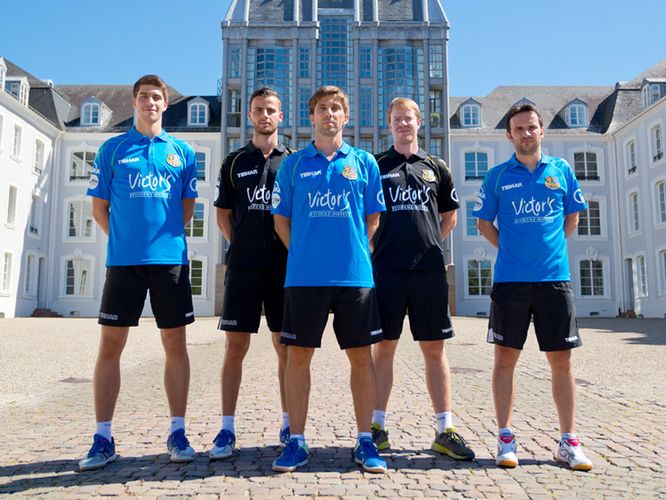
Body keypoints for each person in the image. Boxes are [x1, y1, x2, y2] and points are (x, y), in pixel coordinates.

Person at [79, 75, 198, 472]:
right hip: (124, 263)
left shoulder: (182, 152)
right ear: (134, 102)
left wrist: (158, 242)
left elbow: (185, 211)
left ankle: (178, 432)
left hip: (170, 263)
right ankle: (102, 437)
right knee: (110, 347)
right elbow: (99, 209)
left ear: (166, 105)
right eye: (144, 97)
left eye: (157, 97)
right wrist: (127, 239)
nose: (151, 102)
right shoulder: (112, 150)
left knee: (175, 345)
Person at [270, 86, 387, 473]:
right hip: (304, 277)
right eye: (323, 108)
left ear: (346, 116)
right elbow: (281, 220)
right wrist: (303, 249)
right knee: (298, 356)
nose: (330, 114)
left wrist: (353, 247)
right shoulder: (293, 165)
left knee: (361, 357)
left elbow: (373, 218)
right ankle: (297, 442)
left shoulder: (365, 163)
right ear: (312, 117)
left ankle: (366, 441)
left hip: (354, 276)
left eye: (337, 108)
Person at [473, 103, 593, 471]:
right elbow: (484, 225)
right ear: (509, 136)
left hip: (555, 281)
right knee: (505, 359)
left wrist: (549, 250)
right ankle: (505, 438)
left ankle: (568, 442)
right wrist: (513, 250)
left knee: (561, 360)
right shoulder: (495, 176)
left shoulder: (562, 171)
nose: (526, 133)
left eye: (532, 127)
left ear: (542, 131)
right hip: (510, 282)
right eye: (519, 129)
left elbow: (571, 217)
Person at [370, 97, 474, 461]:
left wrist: (427, 242)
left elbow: (449, 218)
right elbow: (367, 218)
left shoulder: (436, 167)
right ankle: (376, 427)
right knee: (384, 348)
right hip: (386, 270)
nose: (403, 124)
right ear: (389, 124)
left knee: (434, 349)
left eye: (408, 119)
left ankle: (444, 429)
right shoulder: (376, 165)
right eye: (397, 119)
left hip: (429, 271)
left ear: (419, 123)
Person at [209, 87, 292, 459]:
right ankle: (226, 429)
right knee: (235, 347)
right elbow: (223, 215)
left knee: (285, 348)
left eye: (271, 110)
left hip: (283, 268)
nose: (264, 115)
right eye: (258, 110)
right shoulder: (233, 162)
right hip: (243, 267)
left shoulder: (293, 162)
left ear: (280, 116)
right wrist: (241, 244)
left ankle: (290, 424)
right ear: (250, 115)